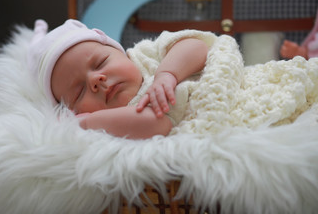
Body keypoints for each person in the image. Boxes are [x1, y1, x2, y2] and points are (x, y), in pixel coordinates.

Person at [28, 19, 209, 139]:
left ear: (118, 50)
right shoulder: (111, 124)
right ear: (72, 112)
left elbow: (198, 46)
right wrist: (87, 123)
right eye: (79, 92)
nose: (95, 80)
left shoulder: (145, 56)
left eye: (100, 63)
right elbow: (159, 124)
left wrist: (168, 73)